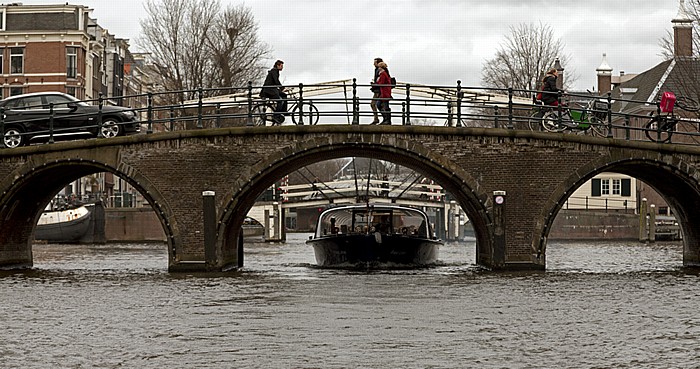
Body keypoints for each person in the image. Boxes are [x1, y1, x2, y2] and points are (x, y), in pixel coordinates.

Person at [260, 60, 287, 124]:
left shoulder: (275, 71)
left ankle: (283, 112)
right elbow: (276, 80)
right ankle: (276, 115)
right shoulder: (274, 71)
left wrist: (282, 89)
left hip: (272, 89)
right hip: (269, 90)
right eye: (281, 66)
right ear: (278, 65)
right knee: (280, 100)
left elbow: (275, 82)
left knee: (284, 95)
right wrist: (282, 88)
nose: (282, 67)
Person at [369, 57, 383, 124]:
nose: (373, 64)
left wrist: (375, 85)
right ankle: (382, 119)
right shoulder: (378, 70)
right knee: (379, 104)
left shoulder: (380, 70)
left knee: (373, 104)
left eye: (375, 62)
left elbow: (380, 81)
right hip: (378, 90)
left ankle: (377, 118)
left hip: (378, 91)